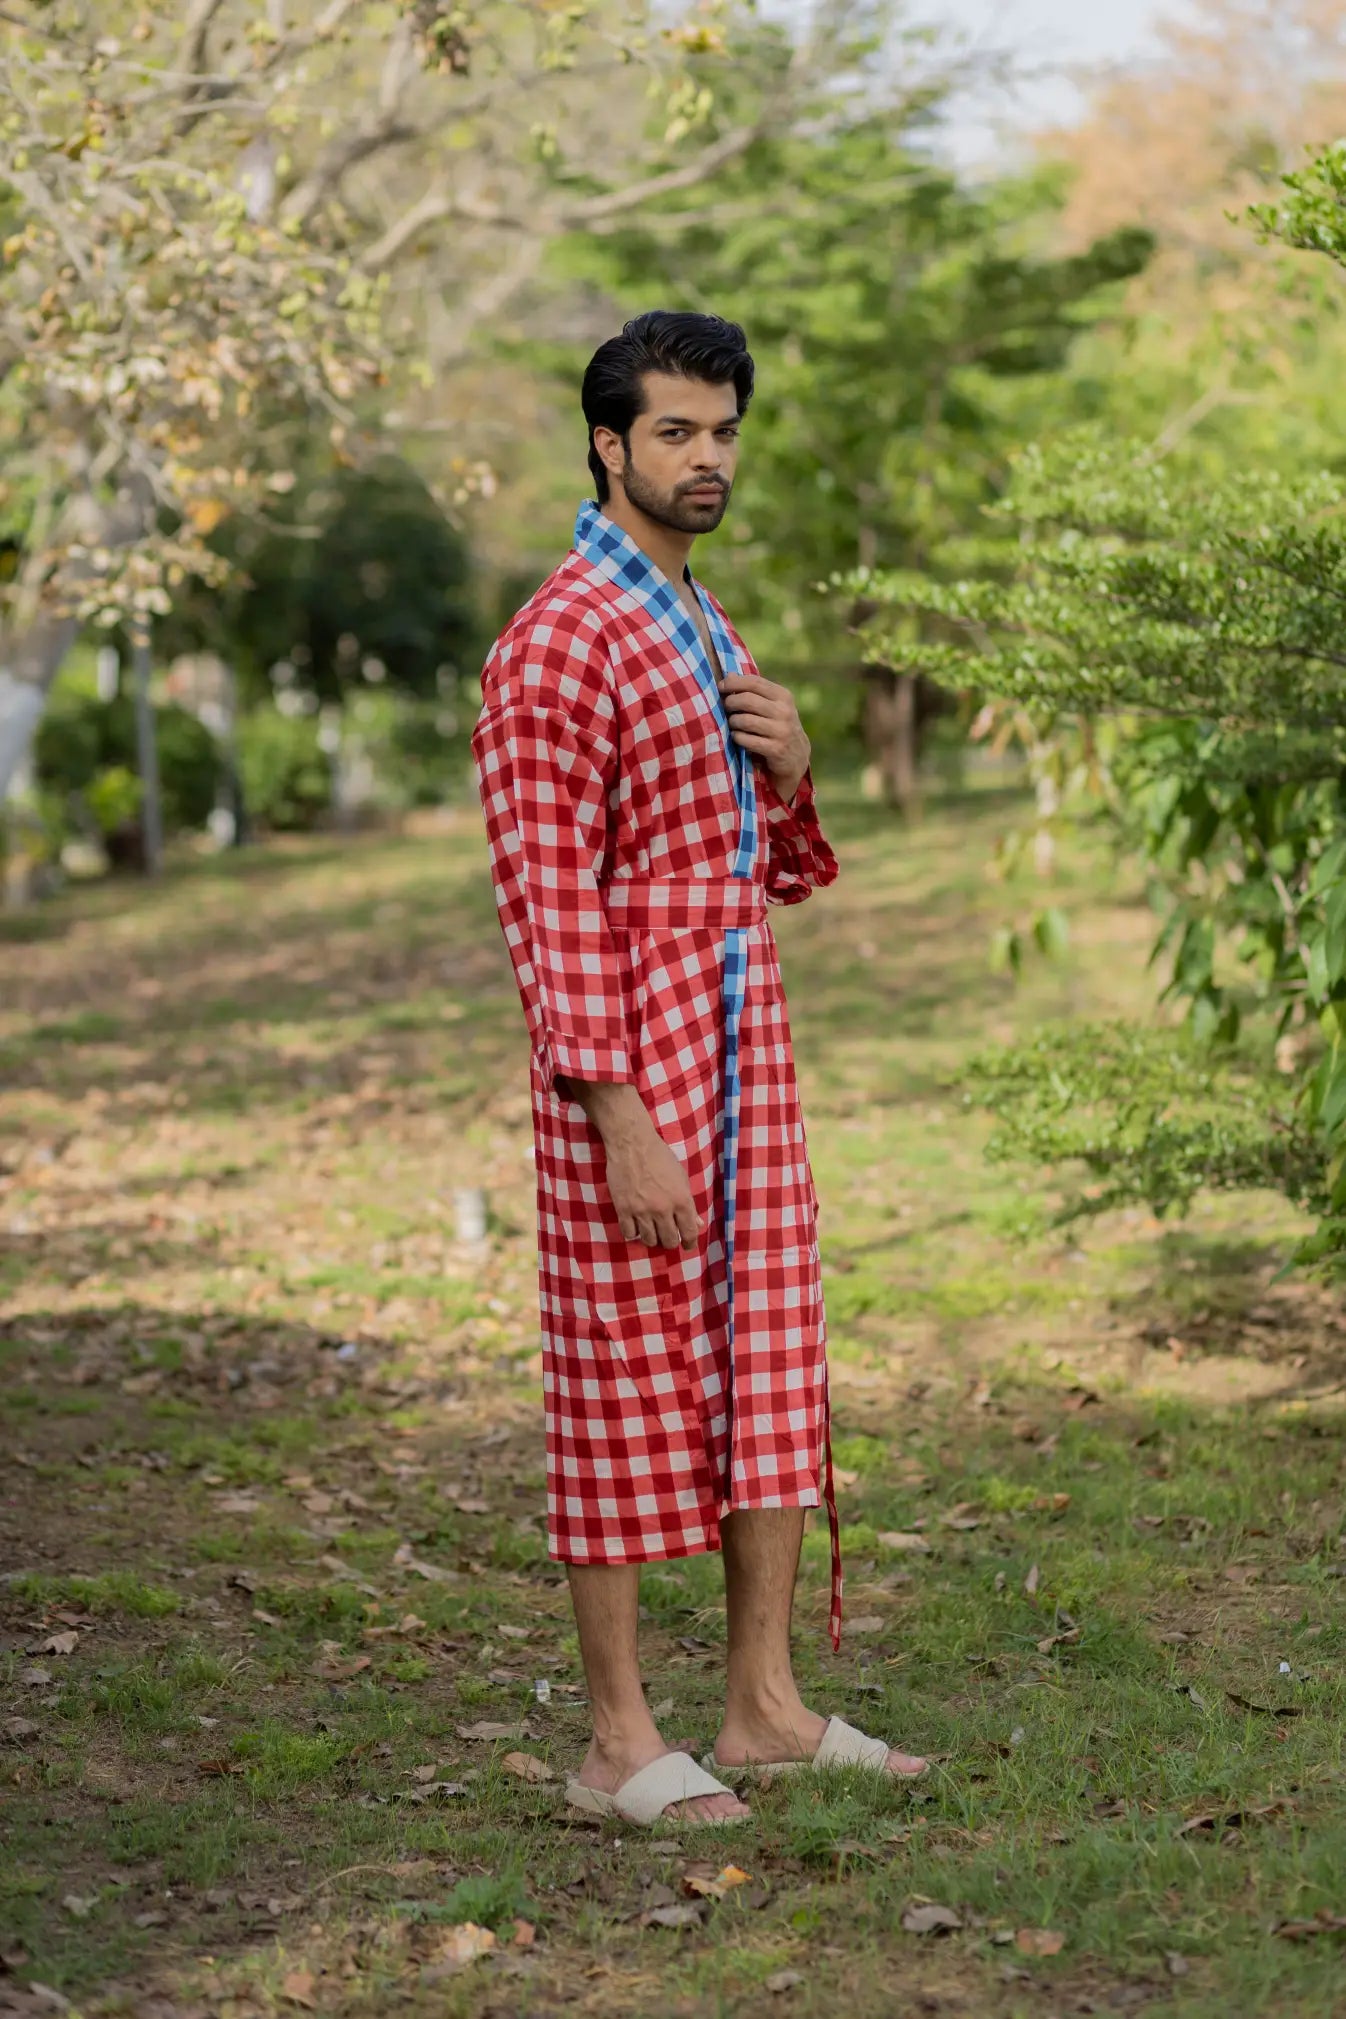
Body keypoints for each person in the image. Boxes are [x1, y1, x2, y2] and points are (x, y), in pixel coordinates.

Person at [471, 310, 927, 1827]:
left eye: (723, 431)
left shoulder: (700, 616)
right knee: (621, 1363)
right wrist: (617, 1116)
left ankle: (764, 1709)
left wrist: (791, 769)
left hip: (744, 1027)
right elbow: (547, 900)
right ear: (609, 444)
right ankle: (617, 1740)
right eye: (676, 432)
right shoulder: (558, 638)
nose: (707, 457)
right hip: (631, 1047)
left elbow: (761, 866)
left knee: (768, 1353)